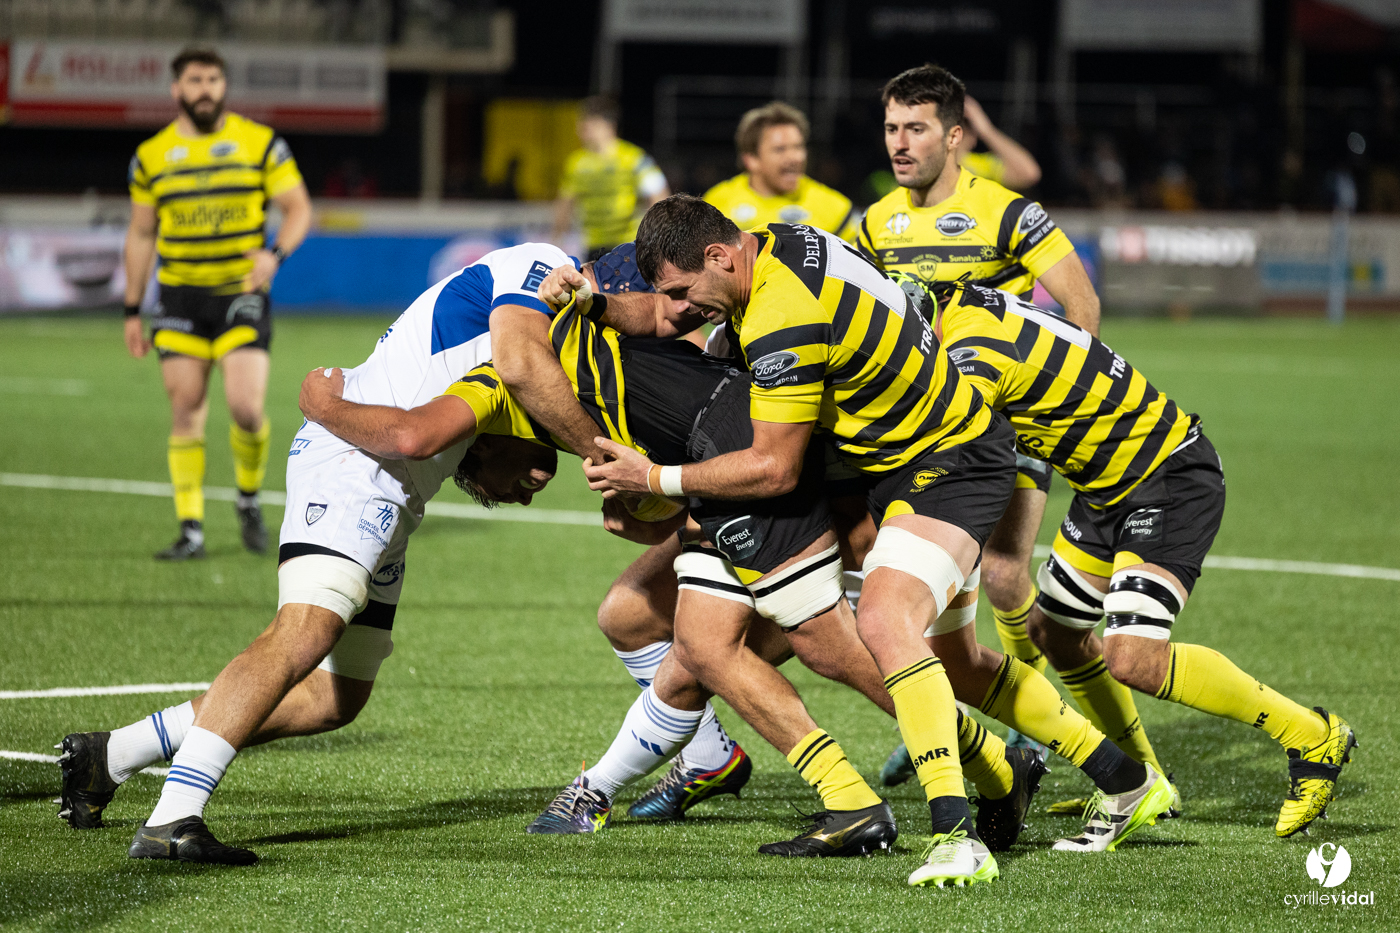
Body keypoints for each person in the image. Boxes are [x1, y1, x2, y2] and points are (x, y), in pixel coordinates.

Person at [570, 199, 1172, 887]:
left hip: (947, 461)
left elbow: (774, 467)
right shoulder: (777, 245)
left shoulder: (782, 315)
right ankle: (1125, 780)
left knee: (882, 623)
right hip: (904, 463)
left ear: (719, 256)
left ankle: (953, 834)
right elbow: (664, 317)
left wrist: (652, 477)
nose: (682, 309)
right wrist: (596, 305)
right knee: (958, 664)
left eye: (684, 291)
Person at [56, 243, 578, 864]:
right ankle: (172, 817)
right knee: (300, 635)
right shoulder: (536, 275)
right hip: (358, 461)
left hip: (394, 486)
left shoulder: (551, 330)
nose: (539, 480)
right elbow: (422, 429)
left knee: (335, 697)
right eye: (541, 453)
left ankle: (111, 756)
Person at [930, 282, 1357, 843]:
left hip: (1165, 478)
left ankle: (1311, 734)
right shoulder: (968, 307)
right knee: (1054, 633)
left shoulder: (972, 350)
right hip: (1107, 485)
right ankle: (1142, 780)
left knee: (1134, 659)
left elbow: (957, 450)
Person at [857, 64, 1121, 769]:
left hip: (1005, 422)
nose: (899, 143)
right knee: (921, 582)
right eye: (891, 127)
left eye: (916, 128)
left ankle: (1031, 722)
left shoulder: (1006, 210)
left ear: (954, 136)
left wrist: (1061, 399)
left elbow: (1082, 303)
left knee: (1003, 575)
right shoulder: (874, 223)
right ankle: (939, 707)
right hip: (917, 428)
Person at [123, 46, 313, 561]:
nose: (204, 89)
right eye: (194, 80)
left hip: (241, 294)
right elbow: (141, 234)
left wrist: (275, 255)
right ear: (176, 89)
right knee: (185, 408)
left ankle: (248, 498)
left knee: (246, 409)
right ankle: (191, 531)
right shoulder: (151, 156)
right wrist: (132, 307)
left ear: (224, 86)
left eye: (213, 79)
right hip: (179, 298)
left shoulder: (260, 143)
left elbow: (298, 208)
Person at [703, 101, 859, 240]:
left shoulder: (836, 209)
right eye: (780, 149)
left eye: (798, 147)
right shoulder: (715, 206)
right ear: (751, 159)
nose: (794, 157)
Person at [552, 97, 670, 261]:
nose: (579, 130)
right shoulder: (576, 163)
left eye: (586, 124)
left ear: (607, 125)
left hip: (629, 245)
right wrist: (556, 242)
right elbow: (565, 204)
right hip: (594, 247)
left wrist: (654, 237)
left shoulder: (634, 158)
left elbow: (659, 196)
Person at [956, 96, 1042, 192]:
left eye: (964, 128)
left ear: (974, 138)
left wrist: (987, 131)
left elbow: (1029, 174)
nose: (956, 135)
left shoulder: (980, 166)